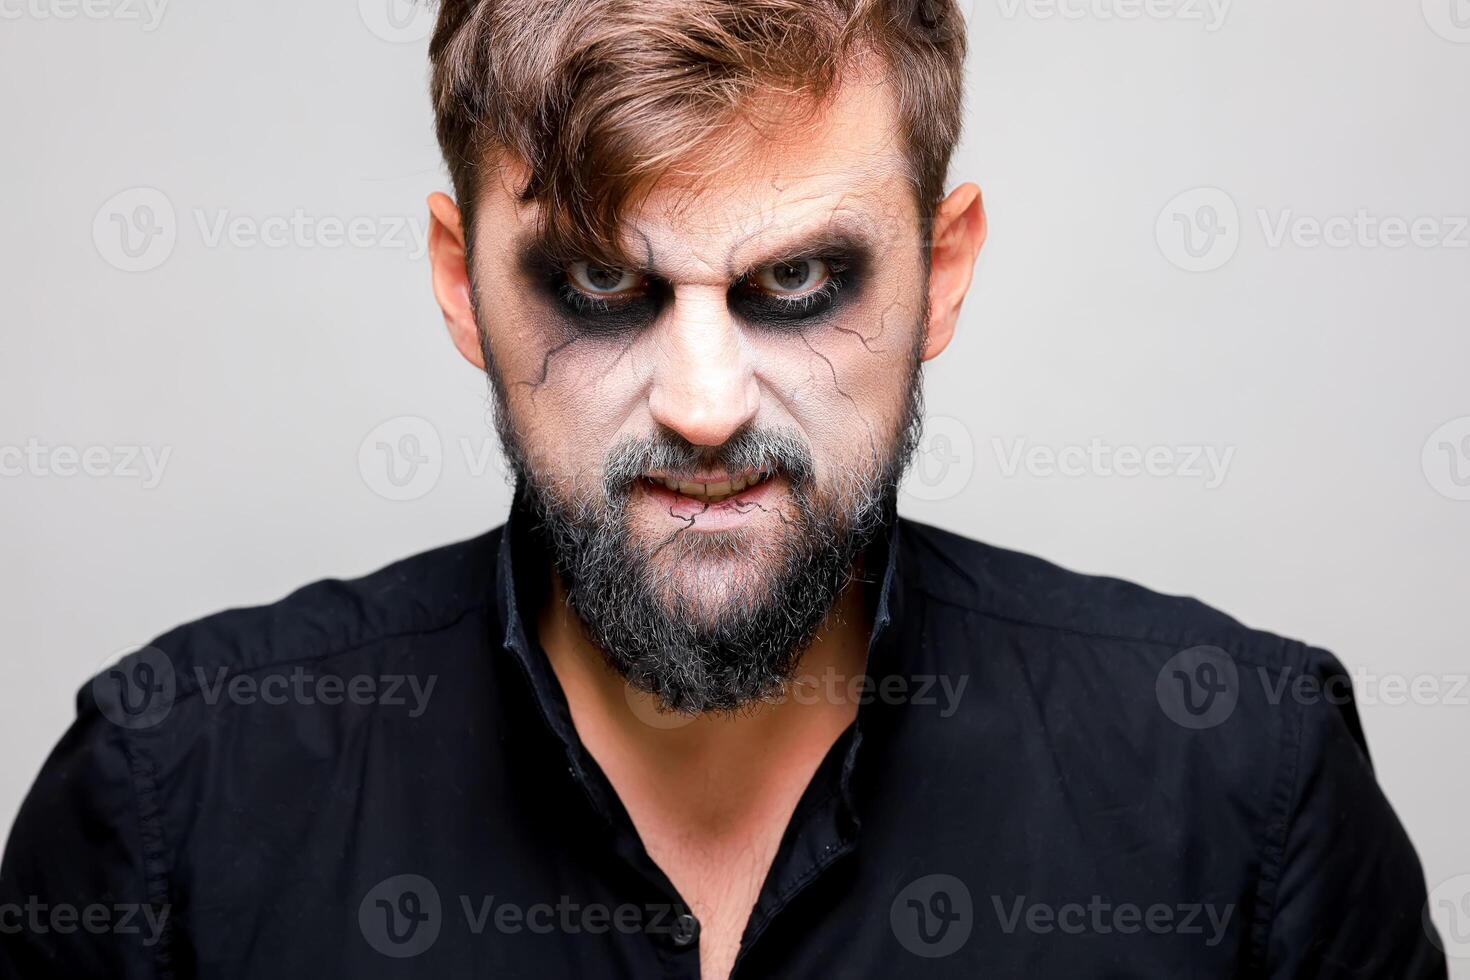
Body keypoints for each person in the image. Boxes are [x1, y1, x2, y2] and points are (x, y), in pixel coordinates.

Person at [0, 1, 1445, 977]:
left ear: (942, 270)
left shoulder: (1242, 781)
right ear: (461, 285)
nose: (703, 407)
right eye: (598, 284)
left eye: (801, 283)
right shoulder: (167, 803)